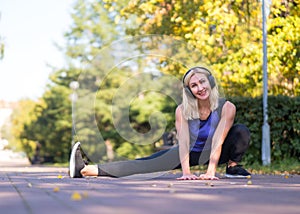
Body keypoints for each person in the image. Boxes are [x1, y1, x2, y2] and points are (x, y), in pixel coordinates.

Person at [69, 66, 251, 180]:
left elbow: (219, 140)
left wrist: (211, 171)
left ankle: (233, 167)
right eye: (194, 85)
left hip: (218, 150)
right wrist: (186, 173)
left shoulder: (227, 107)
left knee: (240, 131)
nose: (200, 88)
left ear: (210, 82)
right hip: (191, 152)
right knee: (144, 164)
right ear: (189, 90)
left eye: (202, 82)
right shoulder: (182, 110)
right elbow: (184, 144)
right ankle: (85, 170)